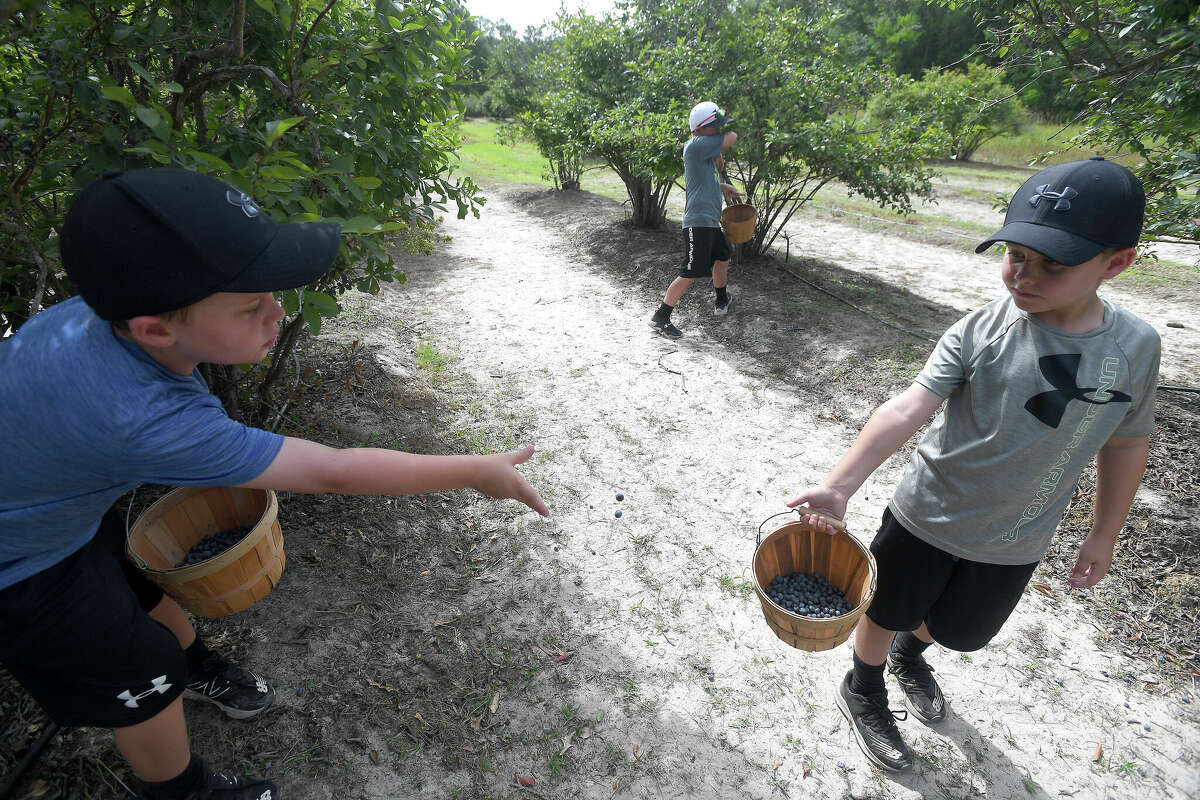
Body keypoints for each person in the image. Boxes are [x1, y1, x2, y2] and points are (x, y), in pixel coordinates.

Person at [0, 168, 549, 800]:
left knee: (134, 588)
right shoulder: (145, 418)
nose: (277, 313)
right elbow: (331, 471)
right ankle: (184, 790)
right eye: (250, 307)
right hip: (19, 564)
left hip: (47, 509)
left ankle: (196, 669)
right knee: (141, 669)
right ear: (156, 327)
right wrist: (472, 470)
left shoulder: (98, 313)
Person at [785, 157, 1159, 772]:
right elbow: (908, 407)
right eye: (1016, 254)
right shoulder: (984, 329)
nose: (1024, 275)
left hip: (1017, 537)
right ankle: (865, 683)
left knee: (962, 630)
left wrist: (1104, 532)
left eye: (1054, 265)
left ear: (1116, 263)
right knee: (884, 608)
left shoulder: (1136, 348)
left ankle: (911, 653)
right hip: (927, 515)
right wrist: (839, 485)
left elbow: (1126, 441)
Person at [649, 100, 743, 338]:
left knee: (723, 257)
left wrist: (723, 186)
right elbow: (732, 136)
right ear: (699, 130)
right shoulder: (695, 145)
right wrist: (722, 144)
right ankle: (661, 317)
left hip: (709, 222)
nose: (720, 130)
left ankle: (722, 299)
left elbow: (703, 183)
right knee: (691, 272)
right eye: (716, 126)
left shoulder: (705, 153)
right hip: (697, 224)